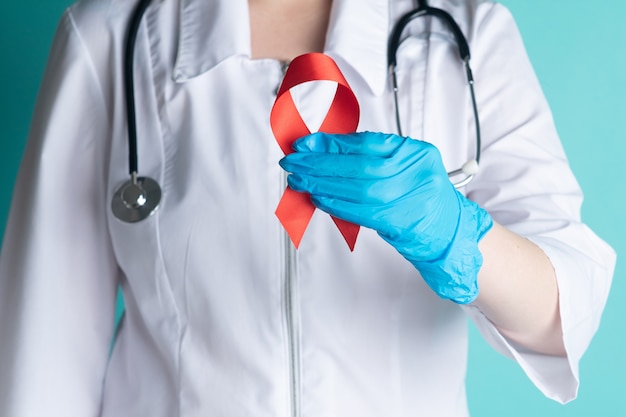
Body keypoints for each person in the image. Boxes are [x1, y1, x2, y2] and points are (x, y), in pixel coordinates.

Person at [0, 0, 615, 416]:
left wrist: (458, 235)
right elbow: (42, 357)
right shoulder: (111, 34)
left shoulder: (463, 33)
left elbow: (566, 310)